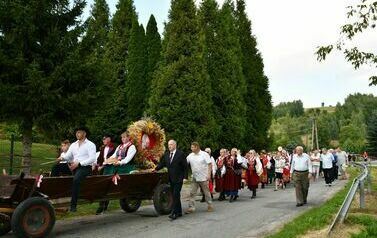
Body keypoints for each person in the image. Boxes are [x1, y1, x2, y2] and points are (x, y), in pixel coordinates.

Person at [58, 127, 96, 212]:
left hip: (85, 168)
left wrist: (79, 163)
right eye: (76, 132)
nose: (77, 134)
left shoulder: (90, 144)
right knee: (56, 167)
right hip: (74, 167)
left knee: (76, 179)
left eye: (79, 132)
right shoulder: (73, 145)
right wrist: (62, 157)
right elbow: (68, 156)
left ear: (84, 133)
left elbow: (92, 159)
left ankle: (73, 206)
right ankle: (53, 196)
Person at [155, 140, 187, 220]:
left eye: (171, 144)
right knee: (175, 195)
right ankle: (179, 212)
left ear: (175, 145)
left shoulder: (180, 154)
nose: (169, 146)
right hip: (171, 179)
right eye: (169, 145)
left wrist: (185, 177)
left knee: (175, 195)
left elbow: (185, 167)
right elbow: (162, 164)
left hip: (179, 178)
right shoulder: (166, 155)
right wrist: (155, 169)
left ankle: (174, 213)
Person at [185, 142, 214, 214]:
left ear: (197, 147)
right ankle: (191, 207)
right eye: (191, 147)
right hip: (195, 177)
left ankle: (209, 204)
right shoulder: (190, 155)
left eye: (192, 147)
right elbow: (184, 162)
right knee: (192, 192)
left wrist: (209, 174)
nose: (191, 149)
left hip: (203, 177)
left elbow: (209, 164)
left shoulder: (204, 154)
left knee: (206, 192)